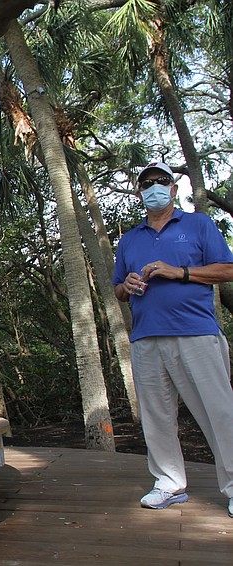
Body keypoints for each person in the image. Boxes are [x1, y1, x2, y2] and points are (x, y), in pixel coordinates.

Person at [112, 161, 233, 518]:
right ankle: (169, 483)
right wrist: (127, 286)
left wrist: (178, 271)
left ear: (173, 189)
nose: (153, 187)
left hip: (196, 333)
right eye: (146, 183)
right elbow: (118, 289)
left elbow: (227, 269)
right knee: (156, 415)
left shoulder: (198, 224)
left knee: (220, 412)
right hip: (146, 338)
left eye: (161, 181)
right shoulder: (130, 239)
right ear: (139, 193)